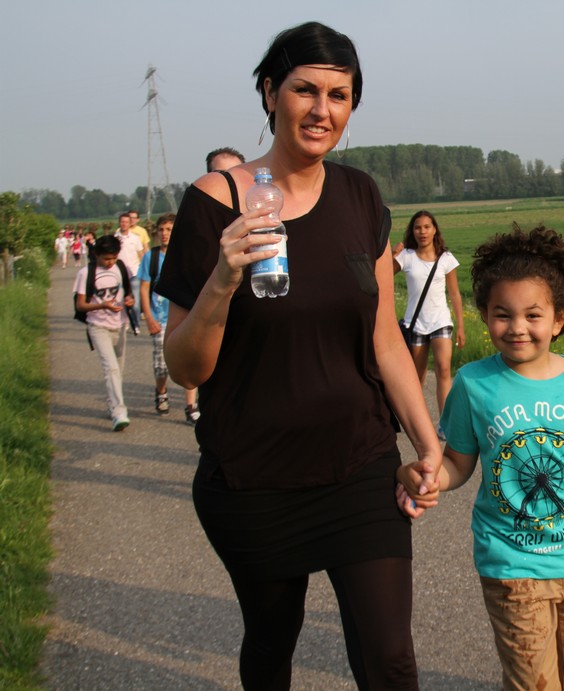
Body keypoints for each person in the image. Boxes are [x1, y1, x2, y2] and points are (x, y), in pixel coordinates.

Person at [154, 21, 439, 690]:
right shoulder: (214, 202)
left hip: (360, 463)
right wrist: (223, 278)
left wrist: (428, 443)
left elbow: (384, 338)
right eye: (305, 90)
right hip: (255, 475)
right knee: (272, 640)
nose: (322, 110)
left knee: (390, 657)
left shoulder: (360, 195)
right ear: (269, 93)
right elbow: (186, 366)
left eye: (340, 95)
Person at [397, 224, 564, 691]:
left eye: (533, 315)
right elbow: (458, 464)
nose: (517, 327)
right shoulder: (473, 385)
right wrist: (429, 476)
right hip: (511, 569)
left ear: (559, 318)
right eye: (503, 314)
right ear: (484, 315)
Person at [392, 210, 466, 422]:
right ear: (412, 231)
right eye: (418, 227)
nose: (422, 232)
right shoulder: (406, 256)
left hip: (440, 321)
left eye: (426, 227)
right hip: (415, 323)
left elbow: (455, 294)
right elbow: (381, 275)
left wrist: (460, 326)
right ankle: (419, 422)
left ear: (434, 230)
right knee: (418, 376)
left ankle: (445, 422)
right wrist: (392, 254)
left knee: (444, 369)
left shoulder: (446, 258)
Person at [138, 213, 201, 425]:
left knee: (189, 360)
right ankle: (161, 391)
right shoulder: (151, 257)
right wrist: (148, 317)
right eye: (161, 230)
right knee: (162, 365)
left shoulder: (187, 256)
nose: (164, 234)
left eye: (169, 230)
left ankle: (191, 406)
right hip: (159, 317)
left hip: (185, 316)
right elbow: (144, 288)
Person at [73, 234, 135, 431]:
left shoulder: (121, 268)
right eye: (106, 258)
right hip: (97, 326)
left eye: (114, 258)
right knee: (111, 369)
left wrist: (130, 300)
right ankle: (119, 413)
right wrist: (103, 305)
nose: (110, 262)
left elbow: (129, 292)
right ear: (97, 255)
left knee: (118, 370)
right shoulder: (86, 273)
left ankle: (112, 404)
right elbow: (80, 305)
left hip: (120, 324)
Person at [115, 212, 145, 333]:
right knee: (121, 300)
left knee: (135, 301)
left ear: (130, 223)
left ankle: (136, 324)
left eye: (126, 222)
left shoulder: (135, 238)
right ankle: (125, 321)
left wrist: (144, 270)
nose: (124, 224)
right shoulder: (115, 238)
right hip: (120, 274)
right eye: (122, 222)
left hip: (134, 272)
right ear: (119, 223)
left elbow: (141, 254)